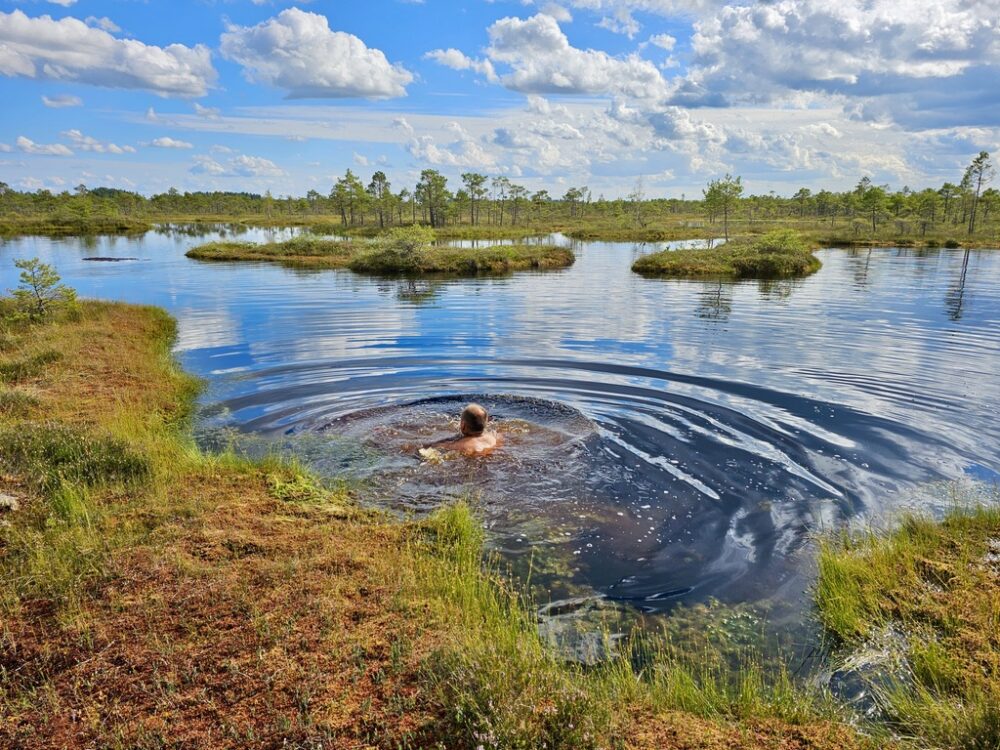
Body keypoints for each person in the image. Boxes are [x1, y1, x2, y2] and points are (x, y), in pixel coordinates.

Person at [434, 403, 500, 456]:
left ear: (463, 425)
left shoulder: (456, 446)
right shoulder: (494, 437)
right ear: (486, 423)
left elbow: (430, 448)